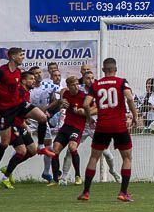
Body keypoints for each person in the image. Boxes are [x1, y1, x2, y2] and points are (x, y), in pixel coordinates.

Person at [0, 48, 53, 184]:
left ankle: (40, 146)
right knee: (4, 143)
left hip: (19, 105)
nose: (23, 57)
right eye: (21, 55)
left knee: (42, 117)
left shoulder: (18, 72)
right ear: (12, 56)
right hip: (6, 111)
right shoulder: (2, 71)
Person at [79, 58, 140, 202]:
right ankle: (123, 192)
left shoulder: (96, 84)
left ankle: (86, 192)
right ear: (116, 69)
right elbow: (130, 98)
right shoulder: (121, 82)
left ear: (103, 70)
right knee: (127, 158)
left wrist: (88, 118)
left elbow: (86, 104)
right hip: (119, 125)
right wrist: (135, 116)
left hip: (102, 126)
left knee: (94, 157)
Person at [48, 75, 90, 186]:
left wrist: (82, 112)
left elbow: (92, 110)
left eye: (77, 84)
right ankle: (55, 179)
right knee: (54, 150)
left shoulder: (83, 96)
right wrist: (61, 101)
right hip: (66, 126)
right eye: (73, 85)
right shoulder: (66, 93)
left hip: (77, 127)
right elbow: (63, 93)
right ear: (68, 86)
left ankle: (78, 176)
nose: (76, 87)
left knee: (72, 147)